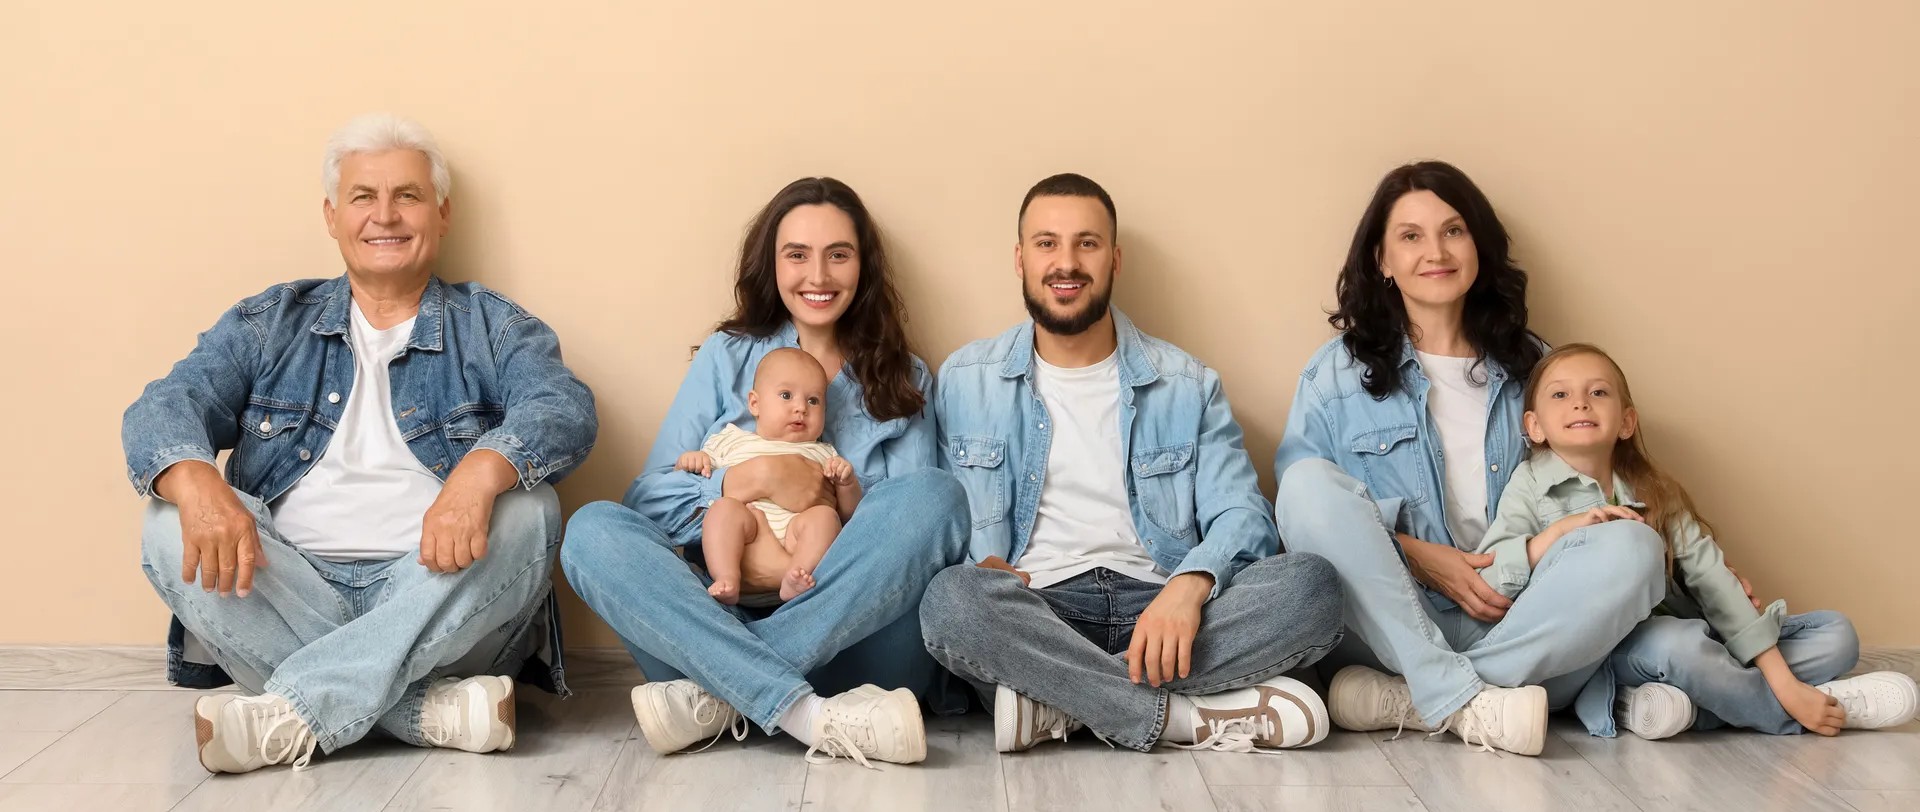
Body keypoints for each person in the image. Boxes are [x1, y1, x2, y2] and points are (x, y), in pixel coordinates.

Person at [123, 113, 597, 774]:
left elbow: (563, 406)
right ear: (331, 215)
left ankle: (290, 712)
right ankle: (422, 712)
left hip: (436, 590)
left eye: (407, 195)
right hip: (283, 589)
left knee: (529, 509)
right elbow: (164, 406)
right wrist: (198, 482)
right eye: (363, 197)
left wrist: (481, 471)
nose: (386, 216)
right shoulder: (270, 322)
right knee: (166, 517)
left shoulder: (493, 325)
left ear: (442, 213)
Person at [920, 173, 1346, 756]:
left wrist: (1190, 585)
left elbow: (1245, 517)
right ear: (1019, 259)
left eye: (1086, 243)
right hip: (1039, 613)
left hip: (1168, 615)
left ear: (1114, 258)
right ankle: (1179, 719)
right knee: (950, 602)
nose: (1065, 263)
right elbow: (936, 522)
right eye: (1046, 243)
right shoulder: (965, 382)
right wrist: (977, 565)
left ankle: (1058, 704)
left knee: (1312, 587)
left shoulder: (1187, 385)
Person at [561, 177, 968, 768]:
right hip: (716, 618)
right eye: (797, 255)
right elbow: (646, 501)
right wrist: (749, 482)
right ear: (771, 265)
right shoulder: (728, 356)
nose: (818, 276)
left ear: (865, 265)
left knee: (937, 495)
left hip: (855, 644)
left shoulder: (906, 379)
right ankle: (807, 714)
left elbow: (911, 539)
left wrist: (808, 547)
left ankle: (727, 695)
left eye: (839, 255)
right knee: (593, 529)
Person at [1272, 161, 1666, 756]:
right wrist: (1422, 557)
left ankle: (1416, 699)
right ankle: (1461, 691)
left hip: (1521, 611)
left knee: (1639, 547)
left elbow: (1602, 478)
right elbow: (1310, 524)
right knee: (1302, 484)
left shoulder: (1539, 367)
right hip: (1389, 625)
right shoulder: (1334, 377)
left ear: (1478, 244)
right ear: (1381, 260)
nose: (1436, 251)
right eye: (1410, 236)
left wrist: (1697, 559)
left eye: (1453, 230)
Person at [1486, 344, 1919, 739]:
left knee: (1836, 634)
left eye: (1598, 392)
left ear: (1627, 421)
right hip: (1612, 652)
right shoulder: (1528, 486)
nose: (1580, 402)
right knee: (1680, 645)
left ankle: (1677, 706)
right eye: (1560, 395)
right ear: (1535, 426)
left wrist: (1780, 674)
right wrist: (1560, 532)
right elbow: (1493, 575)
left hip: (1690, 636)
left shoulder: (1654, 490)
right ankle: (1803, 710)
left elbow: (1711, 578)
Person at [676, 348, 863, 604]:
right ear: (755, 403)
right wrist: (693, 459)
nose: (801, 408)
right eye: (786, 395)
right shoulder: (731, 440)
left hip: (794, 541)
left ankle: (796, 575)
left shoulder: (823, 453)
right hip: (746, 535)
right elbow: (694, 476)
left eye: (813, 400)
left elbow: (848, 514)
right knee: (723, 509)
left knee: (825, 517)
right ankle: (726, 577)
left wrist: (846, 483)